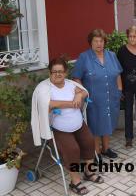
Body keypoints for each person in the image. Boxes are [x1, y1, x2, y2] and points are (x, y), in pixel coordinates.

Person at [31, 58, 104, 195]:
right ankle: (74, 182)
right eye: (54, 72)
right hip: (59, 128)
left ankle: (88, 172)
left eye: (61, 71)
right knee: (72, 149)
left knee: (89, 142)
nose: (58, 74)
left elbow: (85, 92)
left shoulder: (70, 84)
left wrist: (79, 94)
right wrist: (72, 103)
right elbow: (49, 104)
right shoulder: (44, 88)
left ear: (65, 72)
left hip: (78, 124)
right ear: (49, 72)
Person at [72, 29, 123, 161]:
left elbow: (117, 74)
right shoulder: (84, 57)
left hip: (111, 96)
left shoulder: (111, 55)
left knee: (108, 121)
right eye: (96, 41)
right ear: (91, 43)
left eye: (101, 41)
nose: (99, 44)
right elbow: (77, 78)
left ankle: (106, 148)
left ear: (104, 42)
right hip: (93, 99)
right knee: (95, 125)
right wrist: (82, 93)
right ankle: (96, 152)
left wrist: (119, 90)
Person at [117, 26, 136, 148]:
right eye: (129, 36)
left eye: (134, 36)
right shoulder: (122, 51)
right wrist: (120, 89)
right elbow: (118, 71)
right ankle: (128, 138)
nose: (131, 39)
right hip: (127, 88)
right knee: (128, 113)